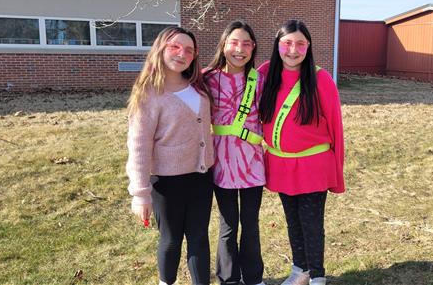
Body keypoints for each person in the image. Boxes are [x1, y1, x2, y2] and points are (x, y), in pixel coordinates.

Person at [126, 26, 215, 285]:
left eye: (188, 49)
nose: (181, 54)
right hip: (166, 182)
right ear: (161, 49)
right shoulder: (148, 94)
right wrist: (140, 193)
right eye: (174, 47)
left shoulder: (199, 88)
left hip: (201, 177)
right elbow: (139, 145)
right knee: (171, 239)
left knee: (199, 237)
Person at [258, 20, 345, 285]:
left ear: (308, 47)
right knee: (292, 221)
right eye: (287, 43)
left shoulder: (321, 79)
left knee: (311, 223)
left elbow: (336, 128)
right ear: (277, 45)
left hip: (313, 166)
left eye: (300, 44)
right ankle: (300, 270)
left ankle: (318, 276)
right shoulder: (264, 73)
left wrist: (337, 173)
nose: (293, 50)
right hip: (282, 165)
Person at [204, 20, 267, 285]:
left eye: (246, 44)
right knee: (228, 225)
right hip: (221, 163)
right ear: (224, 44)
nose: (239, 49)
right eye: (234, 42)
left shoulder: (259, 80)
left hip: (252, 163)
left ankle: (253, 278)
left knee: (250, 224)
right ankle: (228, 279)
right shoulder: (207, 78)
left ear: (253, 48)